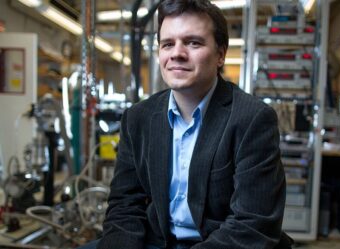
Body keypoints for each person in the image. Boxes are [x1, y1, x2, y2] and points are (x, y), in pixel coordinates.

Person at [79, 0, 291, 248]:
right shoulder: (138, 118)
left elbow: (252, 223)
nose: (177, 53)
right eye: (167, 44)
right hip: (159, 241)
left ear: (220, 54)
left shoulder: (252, 119)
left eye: (193, 42)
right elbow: (125, 205)